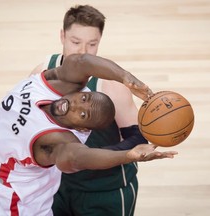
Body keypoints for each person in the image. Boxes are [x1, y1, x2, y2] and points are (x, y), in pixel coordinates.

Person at [0, 53, 178, 216]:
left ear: (82, 129)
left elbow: (78, 158)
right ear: (82, 89)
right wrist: (127, 78)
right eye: (84, 98)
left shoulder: (57, 140)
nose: (75, 105)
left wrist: (127, 156)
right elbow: (82, 62)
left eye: (83, 114)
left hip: (15, 194)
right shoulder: (58, 84)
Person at [31, 5, 152, 216]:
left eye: (92, 44)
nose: (83, 52)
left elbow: (138, 138)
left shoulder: (111, 86)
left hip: (105, 190)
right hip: (57, 185)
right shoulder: (42, 72)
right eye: (75, 42)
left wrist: (92, 157)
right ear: (62, 36)